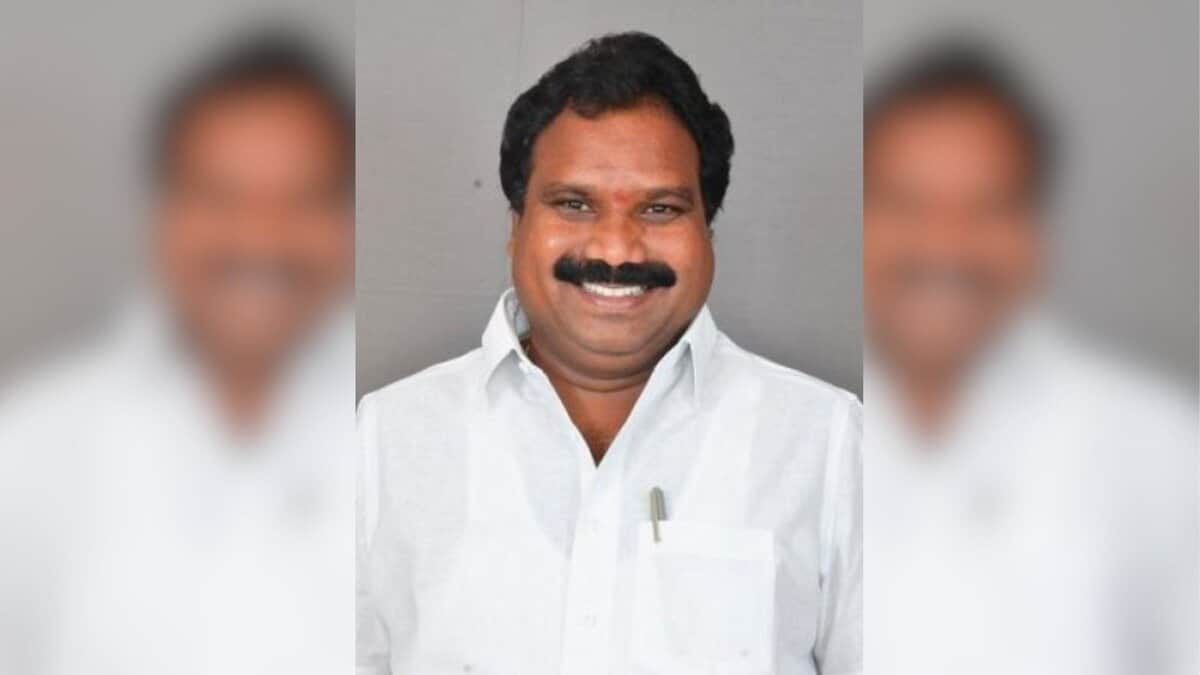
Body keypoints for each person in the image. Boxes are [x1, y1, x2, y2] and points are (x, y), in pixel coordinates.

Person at [357, 31, 862, 675]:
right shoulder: (386, 440)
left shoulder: (828, 445)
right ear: (516, 226)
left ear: (706, 232)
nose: (617, 249)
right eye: (574, 204)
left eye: (660, 208)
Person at [0, 31, 355, 675]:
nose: (262, 236)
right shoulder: (31, 446)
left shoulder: (391, 435)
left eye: (304, 199)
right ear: (162, 213)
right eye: (221, 195)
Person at [863, 43, 1196, 675]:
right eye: (907, 204)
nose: (945, 244)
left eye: (987, 207)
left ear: (1036, 229)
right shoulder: (819, 433)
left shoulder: (1159, 447)